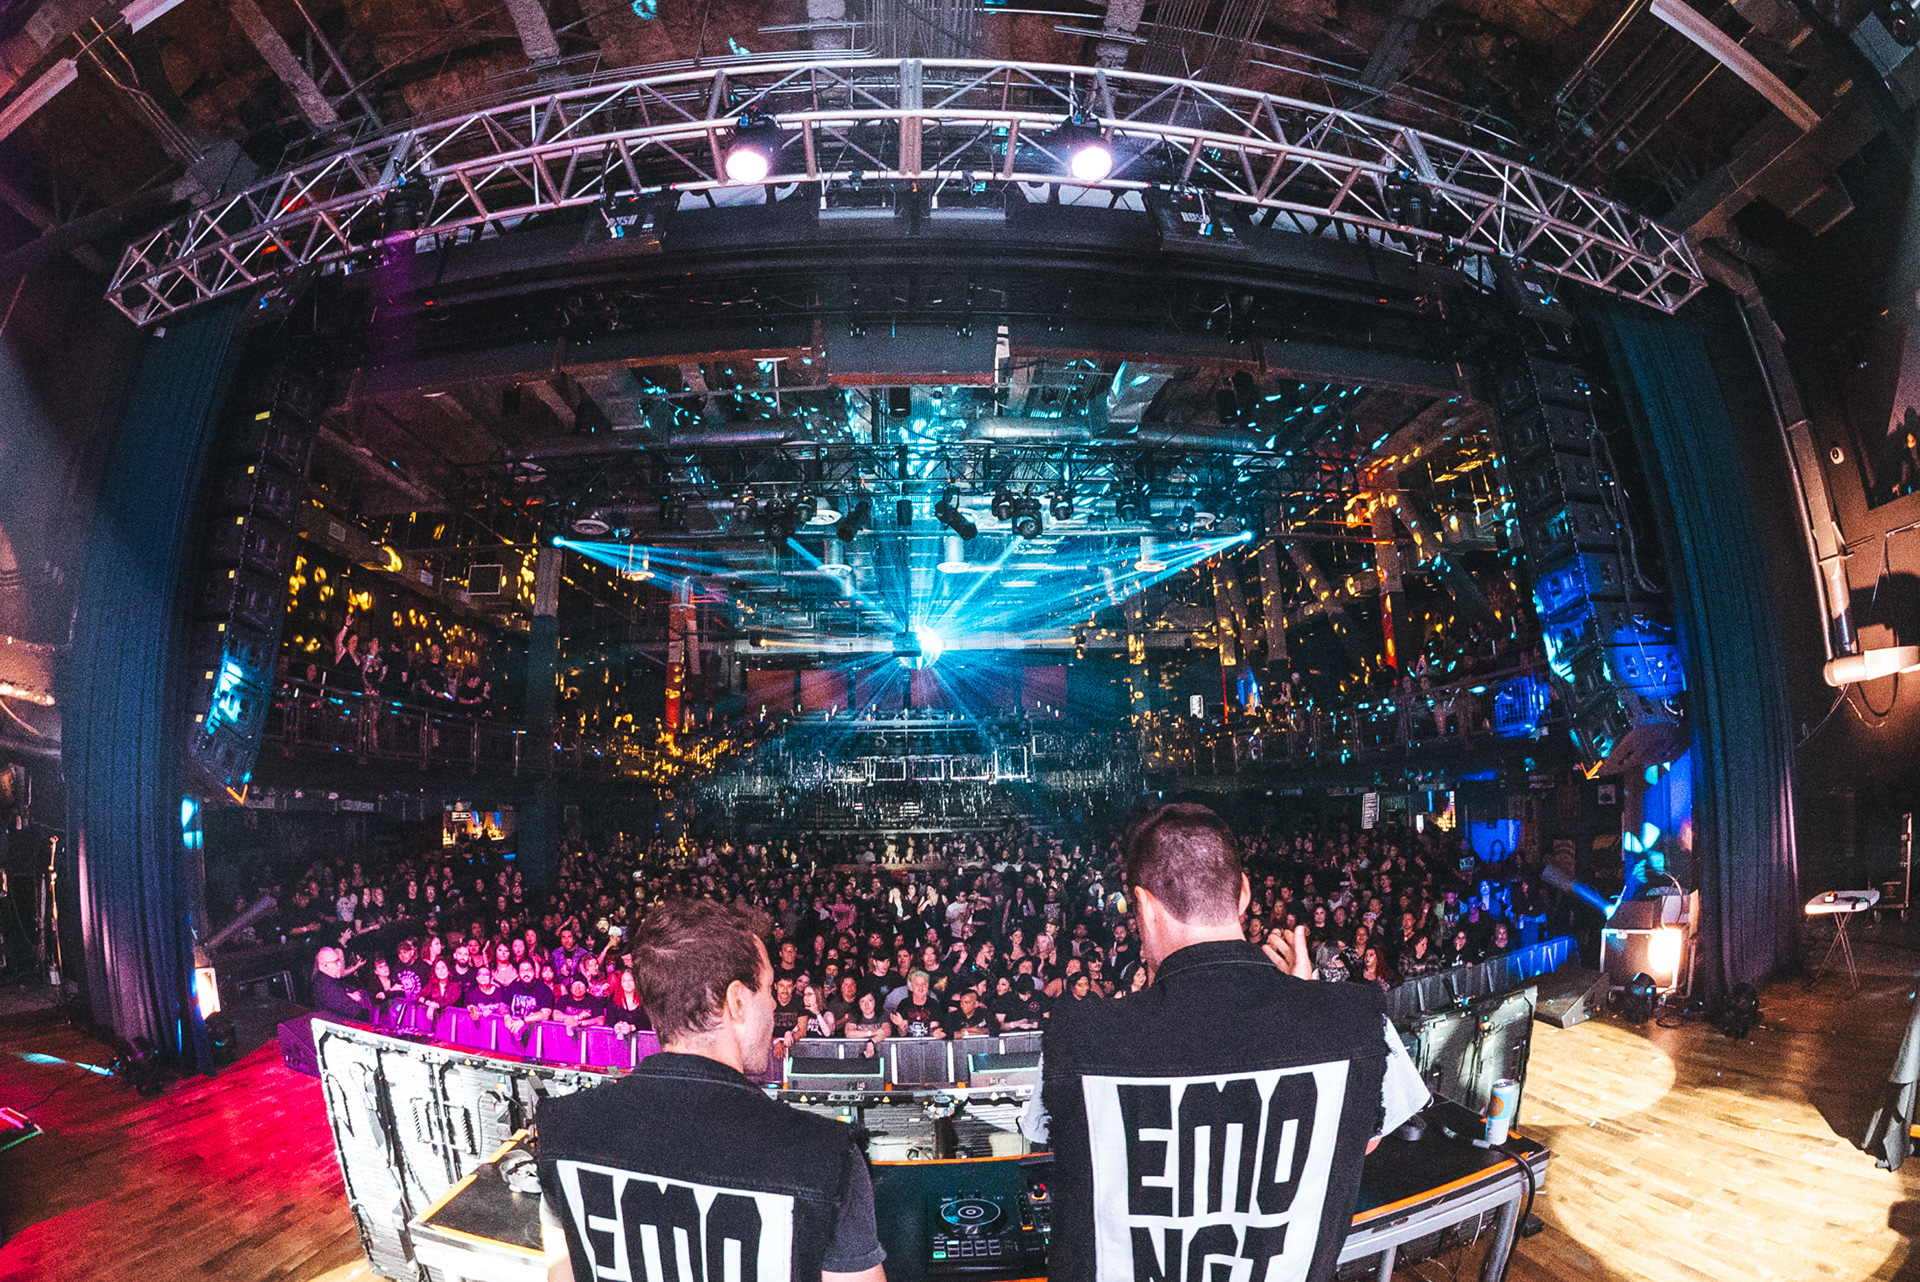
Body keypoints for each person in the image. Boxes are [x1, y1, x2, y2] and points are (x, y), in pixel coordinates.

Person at [1028, 804, 1428, 1282]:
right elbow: (1357, 1137)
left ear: (1144, 907)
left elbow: (1068, 1152)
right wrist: (1306, 1002)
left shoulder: (1075, 1035)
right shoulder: (1361, 1020)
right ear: (1243, 893)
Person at [534, 899, 887, 1282]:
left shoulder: (563, 1129)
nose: (772, 1004)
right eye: (768, 988)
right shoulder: (826, 1157)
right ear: (737, 1002)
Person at [312, 947, 374, 1022]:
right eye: (336, 962)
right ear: (325, 965)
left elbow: (352, 990)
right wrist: (359, 1000)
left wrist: (356, 995)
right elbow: (354, 1010)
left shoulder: (332, 979)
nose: (339, 964)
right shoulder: (325, 986)